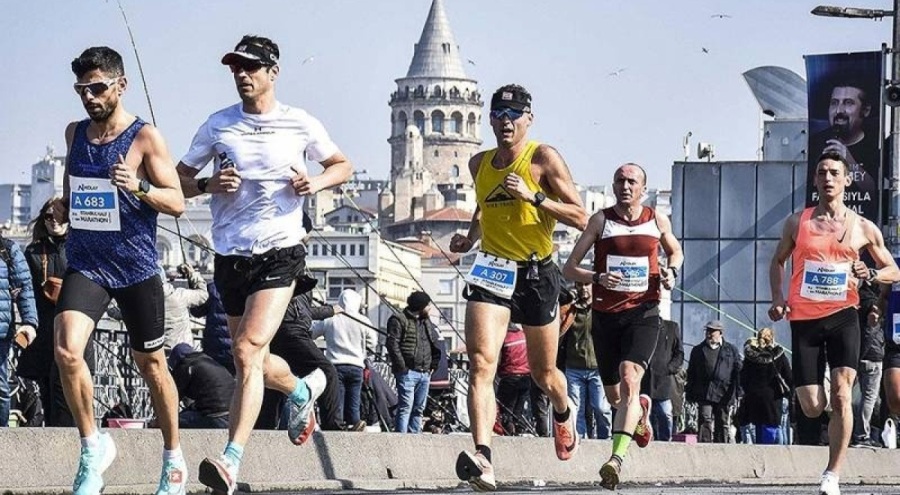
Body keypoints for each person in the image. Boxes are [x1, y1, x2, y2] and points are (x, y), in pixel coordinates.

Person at [175, 35, 353, 493]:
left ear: (273, 72)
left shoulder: (299, 123)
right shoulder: (218, 125)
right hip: (231, 255)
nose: (242, 75)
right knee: (245, 358)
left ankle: (231, 459)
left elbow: (342, 165)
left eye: (251, 67)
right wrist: (211, 184)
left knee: (247, 351)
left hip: (281, 250)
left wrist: (315, 182)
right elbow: (179, 182)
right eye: (236, 67)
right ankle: (298, 389)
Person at [52, 46, 187, 494]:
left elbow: (178, 202)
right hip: (88, 264)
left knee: (151, 365)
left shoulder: (145, 138)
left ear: (120, 85)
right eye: (81, 89)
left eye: (97, 88)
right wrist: (62, 209)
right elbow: (77, 200)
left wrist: (140, 185)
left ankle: (172, 460)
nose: (89, 97)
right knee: (68, 351)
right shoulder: (75, 135)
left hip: (135, 268)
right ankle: (93, 447)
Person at [449, 84, 587, 491]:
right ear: (489, 119)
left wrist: (535, 197)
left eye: (514, 115)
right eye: (499, 114)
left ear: (529, 119)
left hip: (536, 273)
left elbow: (581, 216)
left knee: (544, 375)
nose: (506, 122)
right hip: (492, 269)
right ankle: (484, 458)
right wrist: (469, 238)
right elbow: (484, 202)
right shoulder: (479, 164)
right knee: (481, 364)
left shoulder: (542, 158)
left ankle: (563, 413)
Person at [769, 151, 900, 495]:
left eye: (834, 173)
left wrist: (869, 272)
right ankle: (829, 402)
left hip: (844, 316)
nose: (828, 178)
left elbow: (893, 270)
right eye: (822, 172)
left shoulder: (862, 226)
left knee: (843, 396)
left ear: (846, 180)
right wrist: (777, 299)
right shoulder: (797, 222)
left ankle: (832, 474)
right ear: (815, 180)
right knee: (812, 407)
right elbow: (778, 261)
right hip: (805, 321)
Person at [562, 163, 682, 490]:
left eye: (632, 181)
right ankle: (639, 415)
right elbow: (569, 267)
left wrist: (671, 270)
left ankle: (615, 460)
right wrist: (597, 277)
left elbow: (676, 252)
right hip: (605, 317)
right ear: (613, 187)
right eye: (620, 181)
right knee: (616, 397)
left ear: (643, 188)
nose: (626, 186)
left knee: (631, 378)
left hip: (643, 313)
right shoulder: (601, 221)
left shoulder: (656, 220)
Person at [21, 197, 89, 427]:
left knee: (67, 388)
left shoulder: (80, 247)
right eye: (49, 217)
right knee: (47, 389)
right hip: (45, 329)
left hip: (74, 327)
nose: (54, 221)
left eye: (59, 215)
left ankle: (69, 440)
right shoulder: (33, 252)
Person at [311, 288, 376, 430]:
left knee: (337, 400)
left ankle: (338, 426)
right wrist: (365, 352)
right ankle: (354, 424)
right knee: (354, 399)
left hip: (335, 365)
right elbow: (373, 342)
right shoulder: (362, 320)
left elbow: (312, 333)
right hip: (356, 365)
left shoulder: (330, 319)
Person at [559, 282, 612, 439]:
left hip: (597, 367)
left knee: (601, 407)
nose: (583, 288)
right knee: (576, 409)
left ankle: (606, 439)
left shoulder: (600, 308)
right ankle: (579, 440)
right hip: (574, 367)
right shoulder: (571, 309)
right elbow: (558, 329)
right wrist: (567, 302)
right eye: (580, 285)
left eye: (587, 285)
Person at [386, 291, 442, 433]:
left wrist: (433, 365)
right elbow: (393, 345)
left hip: (424, 372)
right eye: (428, 305)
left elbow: (433, 343)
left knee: (419, 409)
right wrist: (402, 368)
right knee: (405, 407)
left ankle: (414, 439)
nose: (430, 308)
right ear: (420, 306)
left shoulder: (426, 322)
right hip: (408, 372)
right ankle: (402, 440)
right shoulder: (399, 320)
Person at [0, 232, 38, 428]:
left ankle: (3, 437)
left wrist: (30, 322)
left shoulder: (6, 249)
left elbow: (25, 289)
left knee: (0, 389)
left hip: (1, 331)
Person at [685, 320, 742, 444]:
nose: (709, 334)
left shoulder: (731, 350)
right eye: (708, 331)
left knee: (722, 421)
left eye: (712, 331)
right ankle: (705, 446)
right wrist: (689, 392)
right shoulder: (698, 350)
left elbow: (738, 371)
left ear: (720, 333)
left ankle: (721, 446)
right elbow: (691, 372)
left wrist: (738, 391)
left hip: (724, 393)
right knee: (705, 418)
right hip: (704, 391)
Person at [738, 328, 792, 445]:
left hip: (754, 396)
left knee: (758, 426)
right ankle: (773, 453)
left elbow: (743, 377)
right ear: (772, 338)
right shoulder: (779, 355)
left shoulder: (750, 357)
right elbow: (788, 375)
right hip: (773, 396)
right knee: (773, 426)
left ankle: (760, 451)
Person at [168, 343, 233, 429]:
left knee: (171, 422)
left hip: (214, 416)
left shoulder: (185, 365)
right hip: (232, 414)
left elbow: (172, 398)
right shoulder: (209, 361)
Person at [851, 283, 884, 447]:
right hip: (872, 355)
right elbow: (871, 331)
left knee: (852, 398)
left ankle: (851, 433)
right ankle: (862, 435)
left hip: (856, 354)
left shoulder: (855, 300)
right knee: (869, 399)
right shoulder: (874, 302)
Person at [640, 319, 683, 442]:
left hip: (663, 380)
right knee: (646, 415)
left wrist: (670, 368)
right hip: (645, 380)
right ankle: (647, 440)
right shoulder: (642, 327)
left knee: (665, 413)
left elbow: (679, 353)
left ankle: (666, 440)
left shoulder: (672, 327)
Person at [161, 264, 208, 350]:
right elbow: (203, 294)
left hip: (156, 353)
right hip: (181, 350)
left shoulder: (144, 300)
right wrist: (192, 274)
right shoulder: (180, 296)